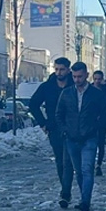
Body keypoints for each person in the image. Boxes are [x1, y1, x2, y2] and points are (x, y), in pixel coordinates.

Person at [55, 62, 106, 211]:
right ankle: (82, 198)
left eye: (80, 76)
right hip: (71, 138)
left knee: (87, 169)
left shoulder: (96, 94)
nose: (77, 79)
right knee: (78, 171)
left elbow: (105, 115)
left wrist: (95, 129)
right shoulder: (66, 94)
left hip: (89, 138)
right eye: (74, 76)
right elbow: (59, 115)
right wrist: (65, 130)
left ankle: (86, 201)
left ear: (86, 75)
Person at [29, 57, 75, 192]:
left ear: (68, 70)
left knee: (72, 161)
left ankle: (71, 188)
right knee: (61, 160)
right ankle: (65, 190)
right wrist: (43, 123)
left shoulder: (75, 85)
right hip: (55, 129)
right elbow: (33, 105)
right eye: (56, 69)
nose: (59, 72)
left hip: (74, 128)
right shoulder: (47, 87)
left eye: (62, 69)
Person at [92, 70, 106, 177]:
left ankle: (98, 165)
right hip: (90, 121)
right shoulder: (88, 88)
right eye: (95, 79)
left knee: (101, 143)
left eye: (99, 79)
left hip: (102, 120)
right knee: (90, 143)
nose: (97, 81)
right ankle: (90, 163)